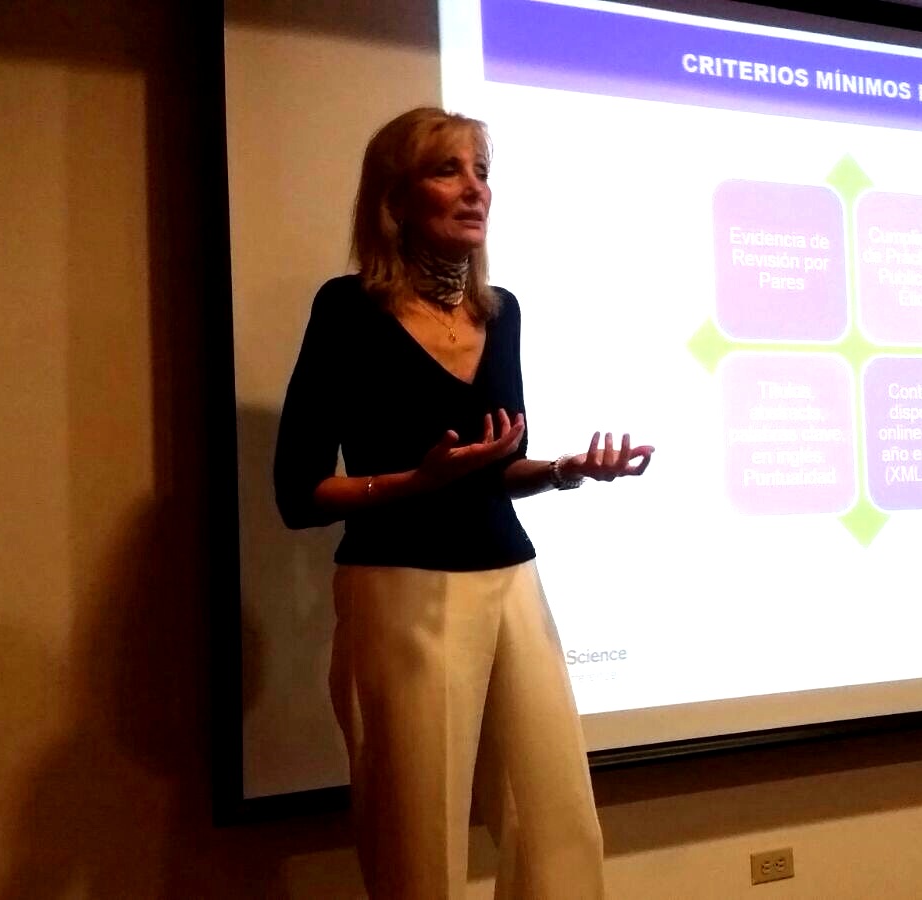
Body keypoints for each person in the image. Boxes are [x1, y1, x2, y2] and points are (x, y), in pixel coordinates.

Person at [273, 106, 652, 899]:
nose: (475, 188)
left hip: (510, 577)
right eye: (448, 170)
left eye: (482, 171)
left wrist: (566, 470)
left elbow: (494, 468)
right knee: (421, 842)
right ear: (395, 198)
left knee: (559, 828)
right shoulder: (347, 309)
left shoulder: (499, 311)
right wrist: (415, 484)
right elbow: (299, 493)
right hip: (400, 588)